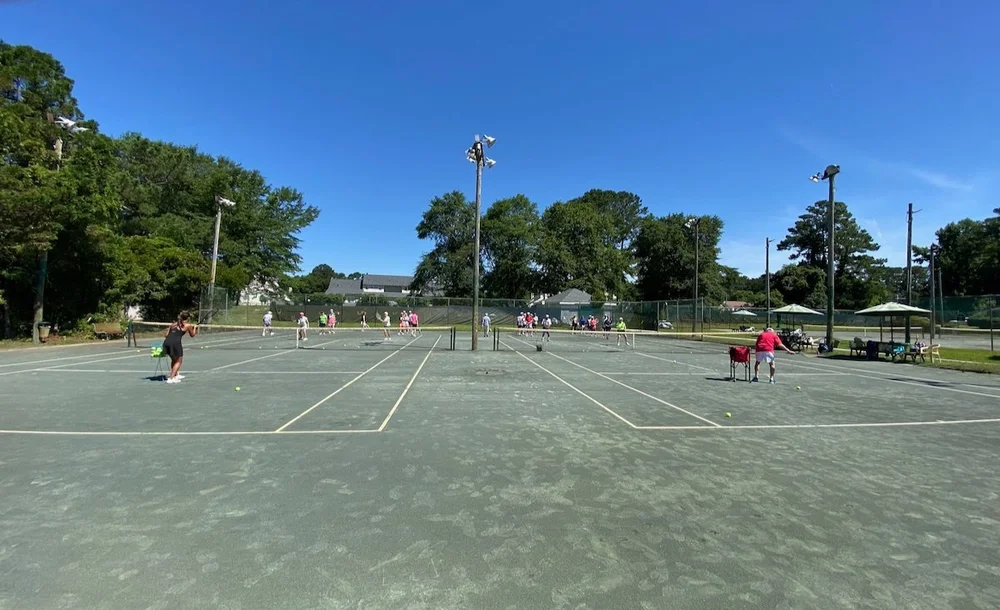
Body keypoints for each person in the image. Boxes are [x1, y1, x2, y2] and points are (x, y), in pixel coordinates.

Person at [163, 311, 197, 384]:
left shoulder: (173, 324)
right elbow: (192, 335)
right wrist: (195, 328)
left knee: (174, 360)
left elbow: (166, 335)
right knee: (179, 361)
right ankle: (171, 378)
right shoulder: (188, 325)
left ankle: (175, 375)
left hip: (166, 342)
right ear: (188, 318)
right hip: (175, 343)